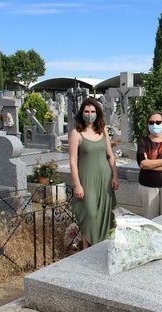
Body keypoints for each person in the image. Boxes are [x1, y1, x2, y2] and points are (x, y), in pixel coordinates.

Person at [69, 97, 118, 248]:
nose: (89, 114)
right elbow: (72, 160)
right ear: (81, 113)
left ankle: (102, 249)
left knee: (104, 215)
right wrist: (77, 185)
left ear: (97, 113)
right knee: (90, 216)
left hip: (105, 179)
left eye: (92, 111)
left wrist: (115, 175)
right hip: (87, 181)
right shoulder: (76, 133)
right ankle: (86, 252)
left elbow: (110, 155)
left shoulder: (102, 131)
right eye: (86, 111)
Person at [137, 112, 162, 219]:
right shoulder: (143, 141)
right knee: (150, 219)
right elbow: (142, 163)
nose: (155, 125)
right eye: (151, 122)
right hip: (147, 185)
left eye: (158, 122)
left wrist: (150, 164)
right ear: (147, 125)